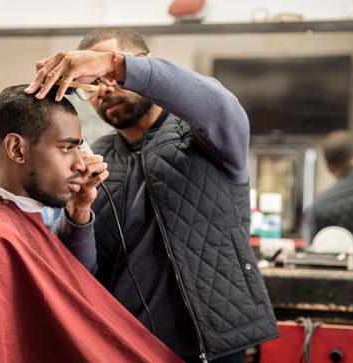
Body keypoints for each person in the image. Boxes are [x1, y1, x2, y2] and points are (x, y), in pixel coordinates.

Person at [25, 27, 279, 363]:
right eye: (94, 84)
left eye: (108, 77)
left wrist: (108, 64)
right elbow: (81, 274)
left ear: (148, 66)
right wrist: (79, 213)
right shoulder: (94, 160)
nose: (104, 91)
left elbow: (217, 103)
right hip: (130, 348)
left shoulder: (208, 137)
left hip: (215, 348)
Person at [0, 84, 184, 363]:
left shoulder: (18, 224)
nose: (79, 164)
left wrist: (80, 206)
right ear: (17, 149)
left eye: (79, 148)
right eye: (66, 148)